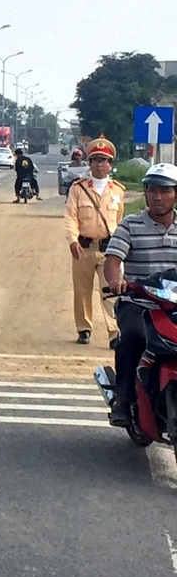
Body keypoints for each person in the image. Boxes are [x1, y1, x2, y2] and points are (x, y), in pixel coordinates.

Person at [103, 162, 177, 426]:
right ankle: (123, 400)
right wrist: (116, 281)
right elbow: (112, 260)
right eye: (152, 190)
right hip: (139, 303)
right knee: (133, 337)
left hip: (173, 308)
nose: (158, 196)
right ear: (145, 193)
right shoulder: (130, 224)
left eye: (165, 191)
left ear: (175, 194)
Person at [63, 136, 126, 346]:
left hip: (109, 251)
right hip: (83, 248)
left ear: (110, 165)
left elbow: (119, 221)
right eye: (96, 160)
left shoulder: (118, 190)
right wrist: (73, 240)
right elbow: (70, 216)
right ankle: (84, 329)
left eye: (105, 160)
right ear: (89, 164)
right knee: (82, 291)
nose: (100, 164)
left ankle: (114, 333)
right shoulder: (78, 189)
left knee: (111, 291)